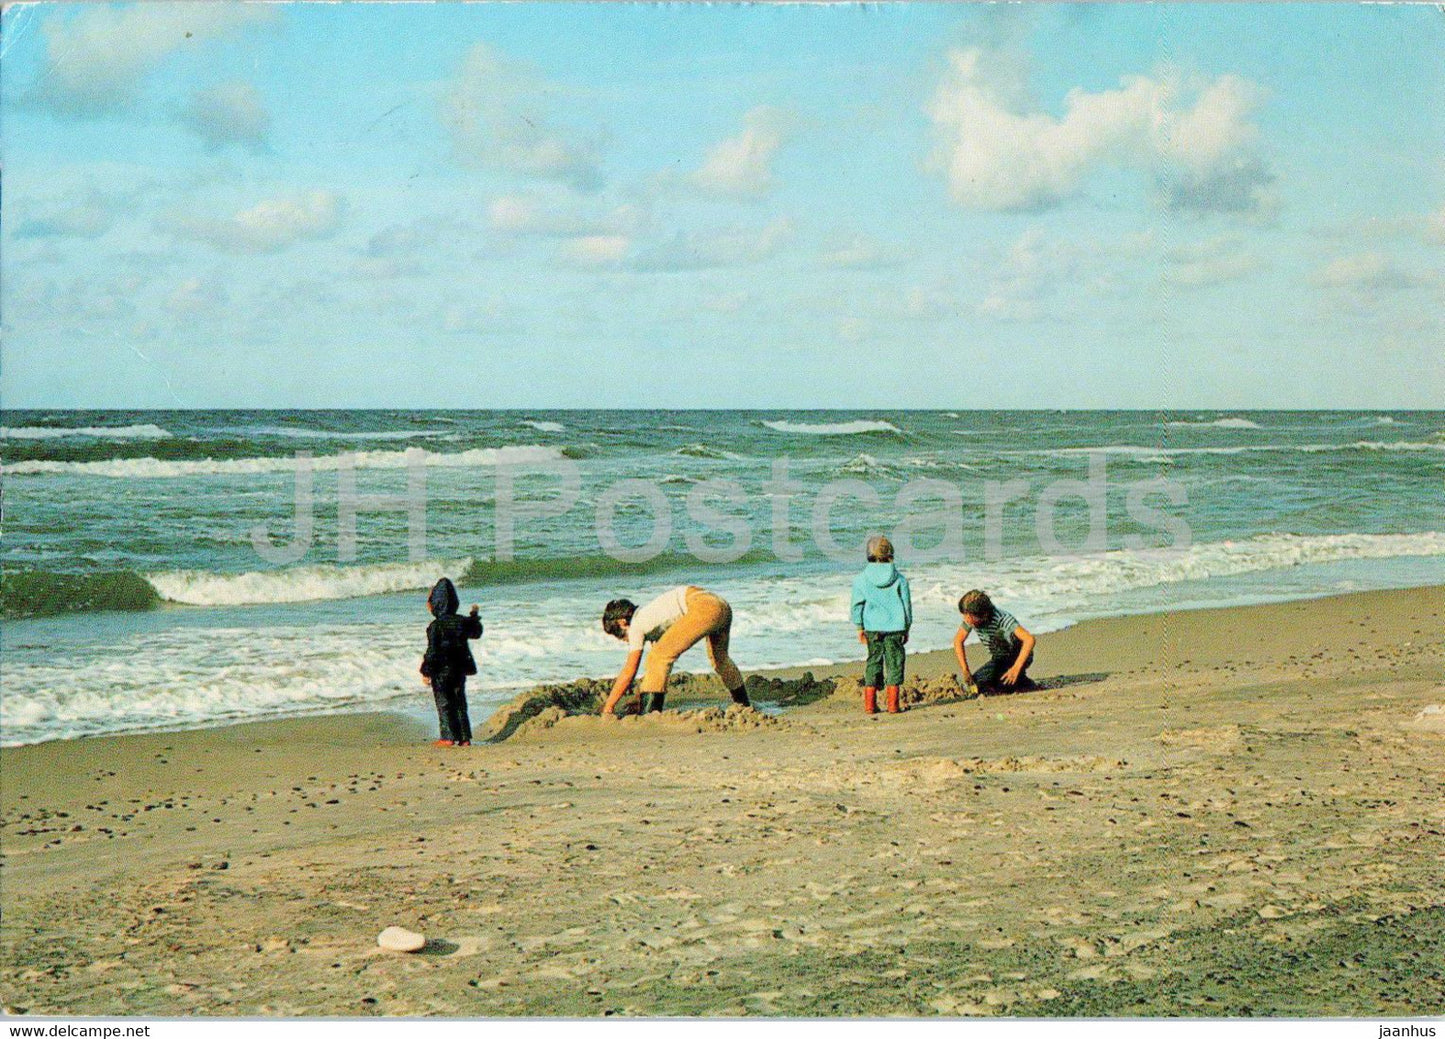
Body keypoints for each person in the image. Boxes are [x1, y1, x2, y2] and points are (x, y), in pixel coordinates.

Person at [599, 586, 750, 716]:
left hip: (702, 606)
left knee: (658, 657)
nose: (624, 640)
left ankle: (650, 715)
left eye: (619, 635)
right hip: (718, 603)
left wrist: (609, 706)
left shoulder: (636, 625)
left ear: (622, 622)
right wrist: (640, 698)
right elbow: (655, 672)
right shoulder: (649, 618)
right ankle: (744, 705)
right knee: (720, 660)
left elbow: (629, 670)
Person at [849, 535, 913, 715]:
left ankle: (870, 705)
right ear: (891, 555)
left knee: (873, 662)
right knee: (895, 664)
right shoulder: (900, 579)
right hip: (895, 628)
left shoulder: (861, 579)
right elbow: (906, 606)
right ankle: (893, 705)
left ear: (868, 555)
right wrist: (907, 627)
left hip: (872, 627)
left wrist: (859, 626)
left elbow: (856, 605)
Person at [420, 577, 483, 746]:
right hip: (460, 668)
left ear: (436, 604)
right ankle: (464, 737)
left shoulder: (435, 626)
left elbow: (432, 651)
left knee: (444, 703)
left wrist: (425, 671)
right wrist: (474, 617)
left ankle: (447, 737)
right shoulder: (462, 622)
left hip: (441, 671)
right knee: (459, 701)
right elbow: (476, 632)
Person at [953, 589, 1038, 695]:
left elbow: (1029, 639)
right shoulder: (972, 620)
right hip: (999, 658)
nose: (966, 619)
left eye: (969, 616)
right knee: (977, 683)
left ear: (983, 615)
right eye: (965, 615)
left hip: (1018, 656)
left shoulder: (1002, 619)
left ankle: (1021, 679)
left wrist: (1016, 668)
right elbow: (958, 640)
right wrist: (965, 670)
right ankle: (1017, 679)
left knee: (996, 687)